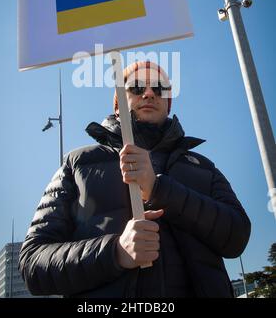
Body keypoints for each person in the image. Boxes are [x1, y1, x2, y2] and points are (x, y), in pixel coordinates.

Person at [19, 60, 251, 298]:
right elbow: (32, 264)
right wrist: (116, 252)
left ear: (168, 104)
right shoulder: (77, 164)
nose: (149, 94)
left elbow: (237, 237)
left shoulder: (203, 167)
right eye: (137, 88)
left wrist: (159, 189)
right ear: (118, 104)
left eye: (159, 89)